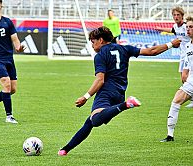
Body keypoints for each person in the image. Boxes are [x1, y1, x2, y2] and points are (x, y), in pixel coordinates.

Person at [57, 26, 181, 156]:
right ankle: (65, 149)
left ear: (100, 40)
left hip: (106, 92)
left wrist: (85, 97)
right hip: (120, 94)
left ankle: (126, 105)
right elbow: (152, 51)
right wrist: (171, 43)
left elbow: (100, 80)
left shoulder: (100, 56)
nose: (92, 45)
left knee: (95, 120)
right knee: (90, 121)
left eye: (93, 42)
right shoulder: (124, 48)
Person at [160, 16, 193, 142]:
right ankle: (170, 135)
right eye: (187, 27)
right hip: (191, 80)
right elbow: (188, 63)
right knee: (176, 100)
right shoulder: (188, 46)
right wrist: (185, 73)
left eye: (191, 27)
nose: (188, 29)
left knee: (176, 100)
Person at [155, 7, 192, 108]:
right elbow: (172, 30)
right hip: (182, 55)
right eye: (174, 15)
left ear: (182, 16)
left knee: (185, 77)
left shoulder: (186, 26)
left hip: (190, 54)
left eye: (178, 15)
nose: (176, 17)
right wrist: (160, 29)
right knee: (183, 78)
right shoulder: (175, 26)